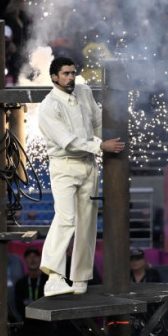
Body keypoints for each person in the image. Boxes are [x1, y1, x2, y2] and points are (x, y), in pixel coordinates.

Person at [38, 56, 125, 296]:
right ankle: (53, 277)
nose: (70, 78)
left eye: (72, 73)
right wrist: (101, 147)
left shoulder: (84, 91)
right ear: (54, 77)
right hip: (64, 166)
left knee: (87, 222)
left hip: (88, 164)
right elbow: (67, 142)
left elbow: (97, 122)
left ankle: (80, 278)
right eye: (65, 74)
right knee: (66, 219)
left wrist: (101, 145)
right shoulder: (48, 106)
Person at [14, 247, 55, 336]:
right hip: (28, 330)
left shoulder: (48, 281)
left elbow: (51, 304)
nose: (32, 260)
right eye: (29, 257)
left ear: (40, 260)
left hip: (46, 329)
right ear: (25, 260)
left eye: (35, 256)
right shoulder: (20, 284)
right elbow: (19, 307)